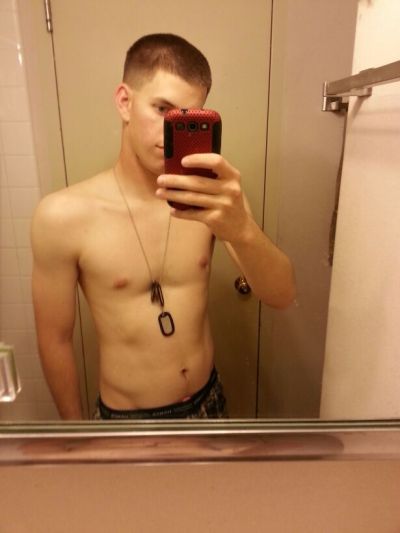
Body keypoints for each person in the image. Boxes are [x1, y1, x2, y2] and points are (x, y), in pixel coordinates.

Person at [31, 33, 296, 420]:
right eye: (161, 110)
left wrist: (241, 229)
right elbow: (54, 340)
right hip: (127, 422)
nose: (171, 131)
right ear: (125, 102)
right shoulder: (63, 217)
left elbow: (282, 295)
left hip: (209, 403)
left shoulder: (214, 199)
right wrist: (77, 437)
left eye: (186, 118)